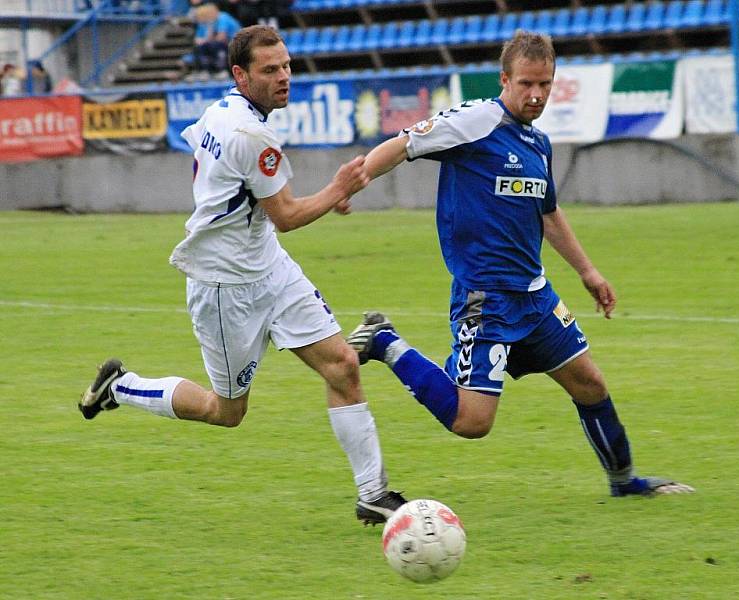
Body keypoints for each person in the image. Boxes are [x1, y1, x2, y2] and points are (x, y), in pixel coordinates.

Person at [79, 24, 406, 525]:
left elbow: (268, 208)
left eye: (287, 66)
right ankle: (121, 387)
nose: (284, 77)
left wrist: (321, 198)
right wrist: (338, 189)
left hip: (267, 265)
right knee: (226, 411)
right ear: (240, 73)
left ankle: (373, 493)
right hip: (223, 287)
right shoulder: (252, 134)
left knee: (342, 365)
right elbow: (289, 216)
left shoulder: (224, 110)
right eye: (270, 69)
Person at [346, 30, 694, 498]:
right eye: (527, 84)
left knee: (589, 383)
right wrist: (354, 180)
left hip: (535, 298)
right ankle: (385, 340)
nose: (536, 95)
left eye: (545, 85)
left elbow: (548, 213)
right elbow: (404, 144)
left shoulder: (538, 143)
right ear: (504, 80)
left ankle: (624, 483)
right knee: (473, 423)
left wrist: (588, 272)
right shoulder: (473, 123)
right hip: (485, 298)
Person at [192, 2, 241, 79]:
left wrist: (205, 40)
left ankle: (222, 70)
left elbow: (221, 37)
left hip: (235, 43)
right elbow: (197, 39)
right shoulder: (207, 22)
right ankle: (205, 71)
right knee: (201, 47)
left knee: (215, 45)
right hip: (218, 43)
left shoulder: (223, 17)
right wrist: (204, 40)